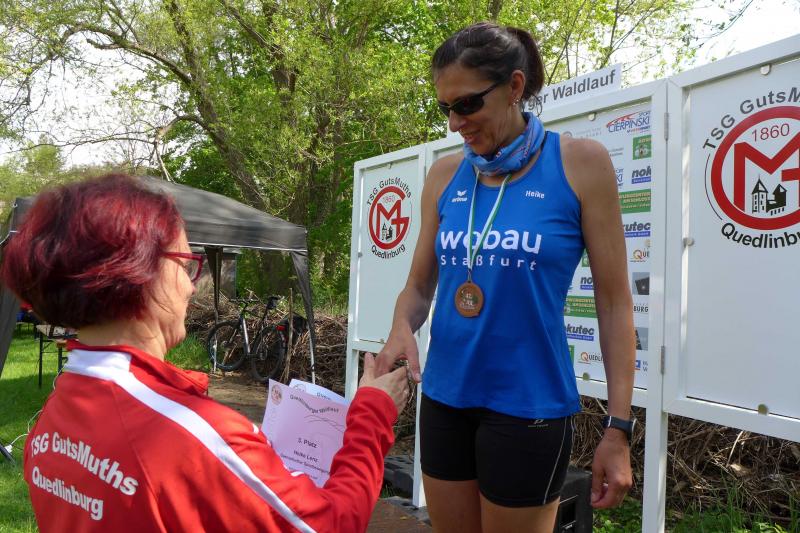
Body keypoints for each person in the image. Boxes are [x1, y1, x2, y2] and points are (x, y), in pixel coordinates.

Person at [1, 173, 409, 532]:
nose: (191, 287)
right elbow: (329, 524)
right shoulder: (191, 435)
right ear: (136, 273)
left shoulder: (54, 415)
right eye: (184, 265)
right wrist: (373, 412)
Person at [376, 22, 635, 532]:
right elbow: (419, 286)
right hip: (445, 399)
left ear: (515, 87)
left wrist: (618, 427)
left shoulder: (581, 164)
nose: (456, 123)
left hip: (529, 406)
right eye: (445, 108)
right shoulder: (444, 175)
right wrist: (401, 325)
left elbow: (614, 304)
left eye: (468, 104)